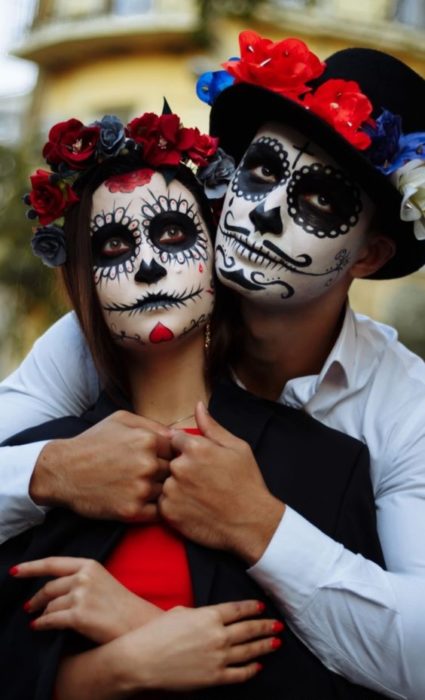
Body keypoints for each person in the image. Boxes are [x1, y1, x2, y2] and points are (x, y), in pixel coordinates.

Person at [0, 32, 424, 698]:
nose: (261, 213)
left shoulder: (400, 412)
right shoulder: (126, 322)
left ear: (367, 257)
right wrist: (49, 470)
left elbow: (415, 659)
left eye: (318, 202)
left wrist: (257, 524)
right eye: (258, 172)